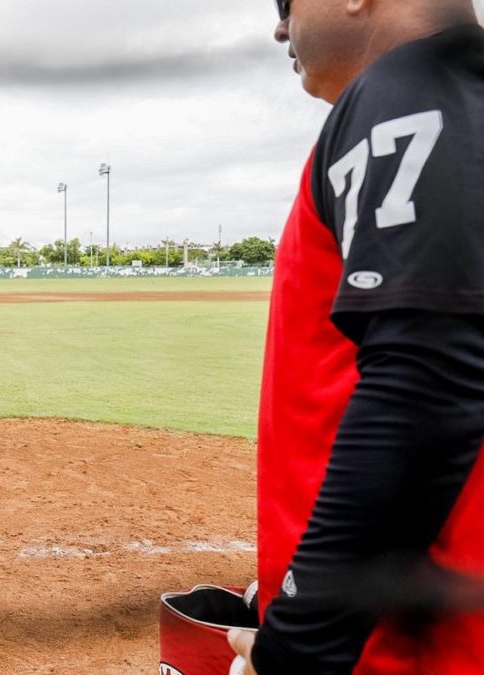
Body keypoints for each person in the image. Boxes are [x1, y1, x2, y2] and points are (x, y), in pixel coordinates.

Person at [229, 2, 484, 673]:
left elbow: (425, 382)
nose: (280, 27)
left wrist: (301, 640)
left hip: (405, 648)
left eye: (285, 3)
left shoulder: (407, 91)